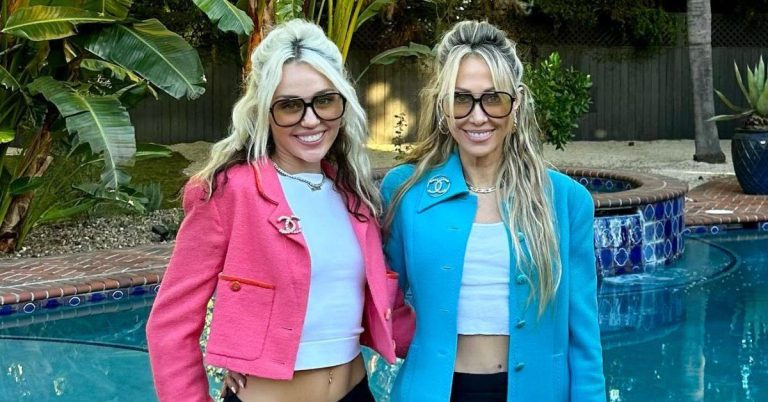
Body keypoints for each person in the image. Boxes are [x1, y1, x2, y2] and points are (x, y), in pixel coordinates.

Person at [146, 19, 410, 402]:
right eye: (289, 106)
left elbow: (388, 305)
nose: (311, 120)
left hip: (356, 394)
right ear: (264, 112)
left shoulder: (354, 195)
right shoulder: (230, 191)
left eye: (324, 101)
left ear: (343, 103)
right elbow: (170, 325)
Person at [379, 20, 606, 401]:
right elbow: (378, 296)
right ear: (443, 107)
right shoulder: (406, 192)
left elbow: (584, 334)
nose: (478, 116)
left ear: (515, 105)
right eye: (461, 98)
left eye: (493, 99)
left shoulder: (566, 201)